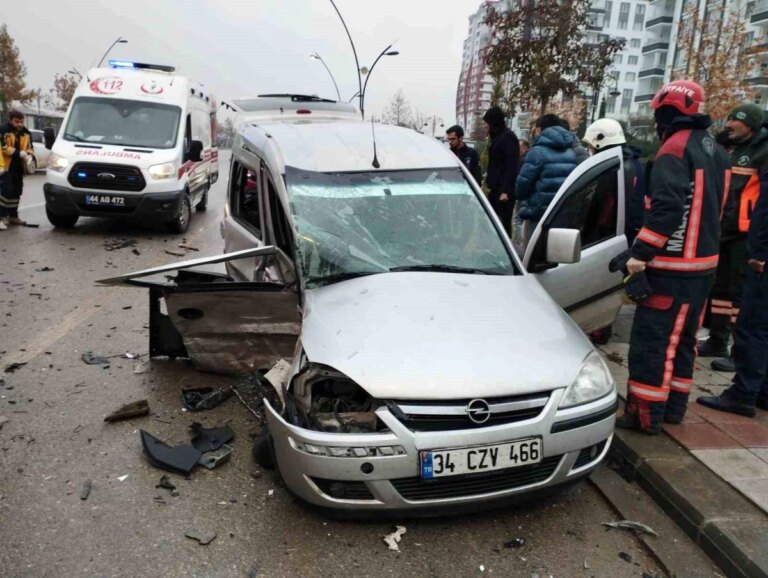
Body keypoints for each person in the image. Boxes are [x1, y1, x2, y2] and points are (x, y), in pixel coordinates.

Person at [616, 80, 730, 434]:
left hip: (672, 268)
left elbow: (666, 208)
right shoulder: (716, 150)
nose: (655, 122)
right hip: (704, 266)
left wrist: (640, 253)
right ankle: (673, 408)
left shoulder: (674, 150)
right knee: (683, 342)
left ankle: (644, 415)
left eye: (658, 114)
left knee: (653, 343)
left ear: (670, 112)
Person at [699, 104, 768, 373]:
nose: (728, 124)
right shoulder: (736, 149)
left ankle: (740, 351)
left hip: (746, 234)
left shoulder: (761, 152)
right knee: (721, 291)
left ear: (750, 124)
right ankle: (717, 340)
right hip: (726, 231)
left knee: (739, 295)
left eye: (734, 121)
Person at [697, 168, 768, 417]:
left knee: (753, 326)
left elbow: (764, 213)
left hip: (761, 260)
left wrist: (759, 253)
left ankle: (744, 394)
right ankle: (762, 391)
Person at [582, 118, 645, 244]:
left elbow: (597, 209)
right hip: (630, 235)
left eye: (591, 147)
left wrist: (585, 236)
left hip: (607, 238)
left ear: (600, 141)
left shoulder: (611, 170)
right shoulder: (634, 164)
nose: (590, 151)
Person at [515, 114, 577, 239]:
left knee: (532, 254)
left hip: (538, 215)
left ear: (539, 130)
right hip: (561, 214)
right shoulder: (570, 152)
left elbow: (521, 186)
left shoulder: (537, 152)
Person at [482, 106, 520, 235]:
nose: (485, 126)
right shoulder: (498, 137)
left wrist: (505, 191)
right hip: (495, 189)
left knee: (503, 224)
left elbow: (511, 166)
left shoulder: (508, 138)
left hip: (503, 192)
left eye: (487, 123)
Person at [0, 110, 33, 229]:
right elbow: (3, 147)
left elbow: (30, 147)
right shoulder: (3, 130)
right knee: (5, 191)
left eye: (21, 122)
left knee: (17, 191)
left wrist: (29, 155)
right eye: (16, 122)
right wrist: (19, 153)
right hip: (5, 166)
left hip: (19, 167)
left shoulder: (26, 133)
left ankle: (13, 215)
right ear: (10, 120)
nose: (19, 124)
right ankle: (2, 216)